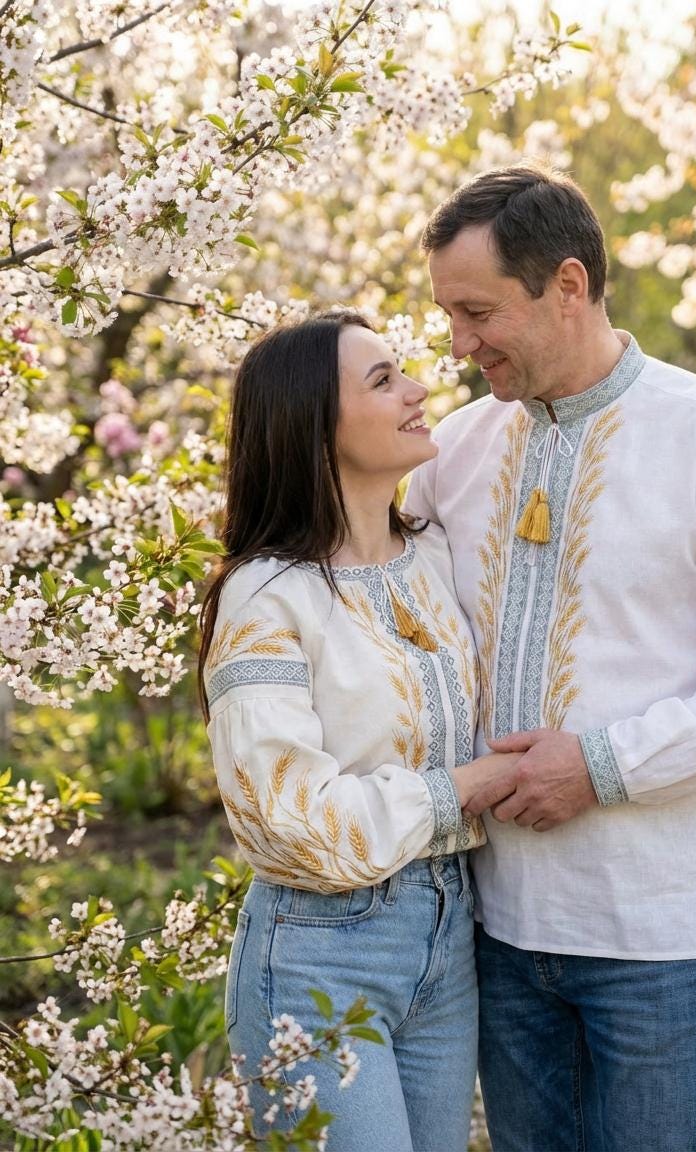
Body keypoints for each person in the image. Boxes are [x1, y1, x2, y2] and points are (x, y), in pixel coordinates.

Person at [404, 165, 696, 1152]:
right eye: (448, 315)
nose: (458, 346)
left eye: (477, 313)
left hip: (657, 936)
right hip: (498, 930)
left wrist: (598, 766)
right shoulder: (453, 453)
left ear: (565, 285)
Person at [197, 312, 516, 1151]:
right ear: (312, 425)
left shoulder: (436, 558)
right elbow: (288, 824)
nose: (418, 391)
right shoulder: (269, 598)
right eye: (382, 381)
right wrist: (467, 788)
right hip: (319, 955)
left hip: (448, 936)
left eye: (403, 371)